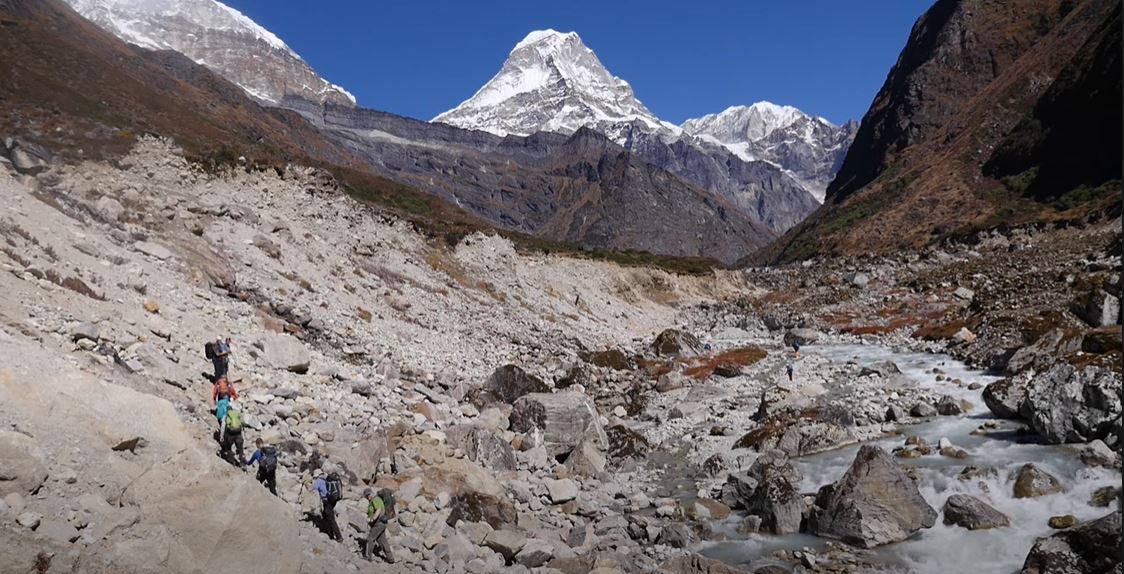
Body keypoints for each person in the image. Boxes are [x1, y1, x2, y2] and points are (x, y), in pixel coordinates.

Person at [363, 488, 396, 563]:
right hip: (382, 523)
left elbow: (378, 509)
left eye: (369, 495)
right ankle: (391, 559)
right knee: (382, 541)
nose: (368, 497)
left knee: (370, 538)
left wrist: (372, 519)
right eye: (366, 496)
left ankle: (367, 556)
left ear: (372, 493)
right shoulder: (376, 500)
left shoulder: (376, 500)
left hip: (379, 523)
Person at [312, 469, 343, 542]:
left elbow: (313, 489)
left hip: (327, 501)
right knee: (326, 515)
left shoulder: (319, 481)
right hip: (333, 500)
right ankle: (330, 534)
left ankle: (338, 536)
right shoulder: (327, 479)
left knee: (331, 518)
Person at [220, 402, 245, 467]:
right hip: (238, 433)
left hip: (230, 434)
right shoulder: (237, 414)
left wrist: (221, 437)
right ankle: (243, 464)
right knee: (241, 450)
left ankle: (232, 462)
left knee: (228, 448)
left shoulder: (226, 416)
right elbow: (241, 424)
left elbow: (223, 427)